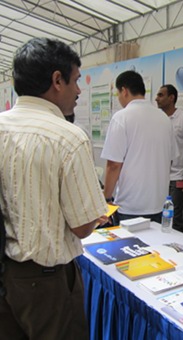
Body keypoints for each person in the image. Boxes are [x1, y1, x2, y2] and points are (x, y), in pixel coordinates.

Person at [0, 38, 108, 339]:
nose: (79, 90)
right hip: (47, 284)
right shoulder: (68, 137)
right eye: (76, 80)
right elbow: (82, 227)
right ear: (56, 80)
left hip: (6, 271)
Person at [102, 71, 176, 224]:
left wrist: (106, 198)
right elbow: (170, 159)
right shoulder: (164, 118)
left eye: (118, 93)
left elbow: (114, 165)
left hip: (130, 206)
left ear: (124, 91)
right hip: (159, 205)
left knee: (129, 247)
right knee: (156, 247)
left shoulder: (121, 117)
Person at [156, 84, 183, 232]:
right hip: (160, 177)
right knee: (158, 217)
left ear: (171, 98)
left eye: (161, 95)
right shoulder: (158, 119)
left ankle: (175, 250)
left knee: (174, 219)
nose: (157, 98)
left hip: (178, 178)